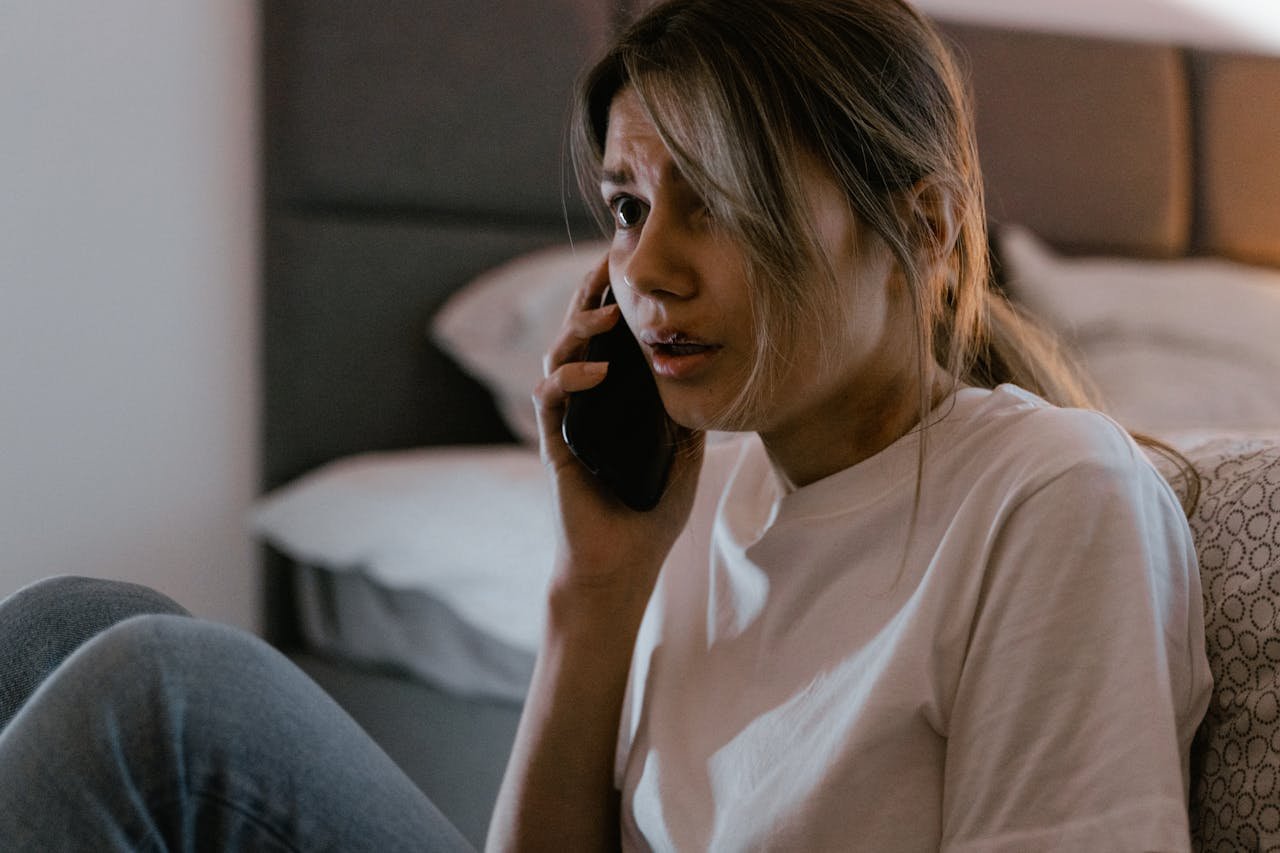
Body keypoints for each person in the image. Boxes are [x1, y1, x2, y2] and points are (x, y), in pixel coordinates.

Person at [0, 0, 1210, 850]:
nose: (648, 271)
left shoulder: (1049, 496)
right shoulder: (707, 495)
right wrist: (597, 586)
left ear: (928, 228)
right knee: (73, 623)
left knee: (157, 695)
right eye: (629, 206)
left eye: (720, 203)